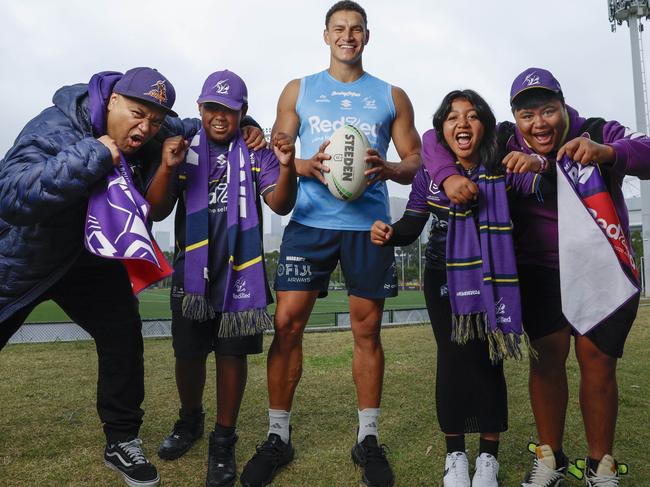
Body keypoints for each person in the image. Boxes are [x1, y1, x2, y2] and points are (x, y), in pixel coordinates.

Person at [0, 67, 264, 487]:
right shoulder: (55, 127)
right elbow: (12, 196)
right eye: (138, 115)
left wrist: (247, 126)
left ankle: (122, 441)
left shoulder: (158, 128)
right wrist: (96, 154)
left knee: (122, 334)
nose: (145, 128)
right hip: (27, 257)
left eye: (155, 121)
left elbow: (206, 121)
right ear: (112, 102)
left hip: (92, 257)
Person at [424, 68, 650, 487]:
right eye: (528, 114)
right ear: (515, 116)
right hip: (539, 270)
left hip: (600, 268)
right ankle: (551, 458)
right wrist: (448, 176)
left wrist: (605, 152)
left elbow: (647, 151)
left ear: (564, 108)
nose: (539, 123)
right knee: (546, 361)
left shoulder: (597, 130)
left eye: (548, 110)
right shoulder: (506, 139)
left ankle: (601, 464)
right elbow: (434, 138)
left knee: (597, 364)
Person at [239, 2, 421, 487]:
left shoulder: (391, 95)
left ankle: (368, 439)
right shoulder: (298, 89)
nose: (348, 36)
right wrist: (304, 164)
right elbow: (276, 153)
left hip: (369, 227)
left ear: (367, 36)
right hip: (311, 222)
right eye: (339, 29)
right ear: (325, 36)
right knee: (287, 324)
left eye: (356, 29)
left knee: (367, 330)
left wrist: (388, 168)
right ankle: (278, 435)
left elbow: (415, 160)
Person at [371, 89, 543, 487]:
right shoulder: (432, 170)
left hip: (494, 273)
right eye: (452, 117)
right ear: (442, 128)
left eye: (471, 116)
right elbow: (414, 222)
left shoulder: (501, 162)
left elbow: (537, 189)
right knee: (451, 357)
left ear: (484, 125)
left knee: (489, 356)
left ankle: (488, 458)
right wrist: (390, 233)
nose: (461, 124)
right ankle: (455, 457)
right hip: (441, 273)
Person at [146, 69, 297, 487]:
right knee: (188, 354)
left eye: (229, 110)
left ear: (242, 113)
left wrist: (286, 167)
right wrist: (165, 167)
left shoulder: (257, 151)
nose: (219, 116)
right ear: (200, 108)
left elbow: (280, 204)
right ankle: (189, 420)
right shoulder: (182, 148)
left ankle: (223, 440)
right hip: (193, 273)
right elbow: (156, 210)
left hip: (241, 272)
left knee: (232, 355)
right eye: (212, 107)